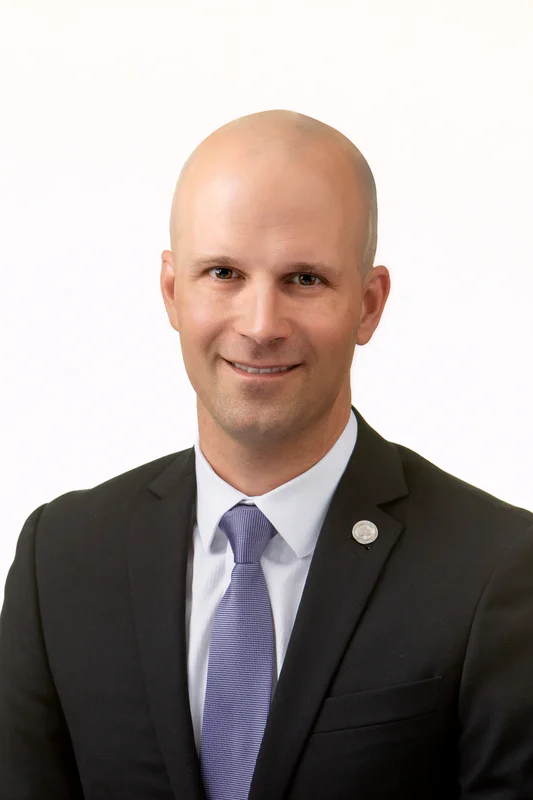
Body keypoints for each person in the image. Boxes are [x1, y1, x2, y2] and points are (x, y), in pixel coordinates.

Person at [1, 108, 532, 800]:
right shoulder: (61, 558)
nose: (260, 325)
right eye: (223, 272)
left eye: (304, 279)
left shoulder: (495, 567)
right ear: (172, 292)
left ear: (369, 305)